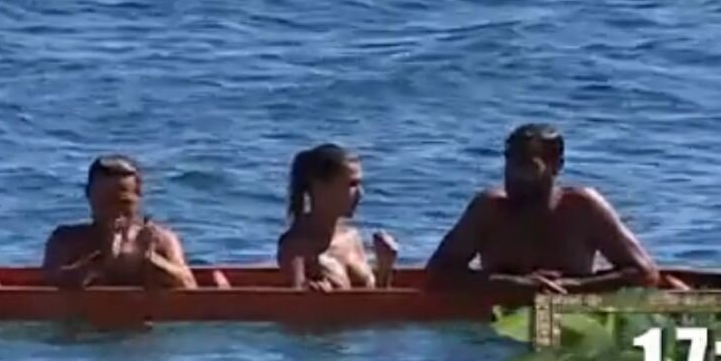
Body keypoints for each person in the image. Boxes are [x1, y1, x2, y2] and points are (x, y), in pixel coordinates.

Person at [427, 124, 668, 293]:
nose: (515, 177)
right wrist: (513, 284)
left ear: (556, 166)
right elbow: (438, 273)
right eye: (511, 165)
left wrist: (572, 286)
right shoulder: (489, 209)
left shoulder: (582, 208)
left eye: (528, 168)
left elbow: (644, 273)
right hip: (494, 326)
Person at [41, 155, 200, 290]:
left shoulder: (159, 240)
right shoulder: (66, 240)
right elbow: (49, 282)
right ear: (89, 195)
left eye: (123, 203)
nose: (113, 212)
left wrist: (151, 260)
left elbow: (188, 285)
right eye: (104, 202)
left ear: (138, 196)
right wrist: (97, 263)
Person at [276, 144, 398, 289]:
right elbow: (293, 300)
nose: (361, 193)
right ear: (320, 187)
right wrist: (314, 295)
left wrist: (385, 267)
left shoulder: (351, 237)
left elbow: (376, 300)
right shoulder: (296, 247)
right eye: (352, 185)